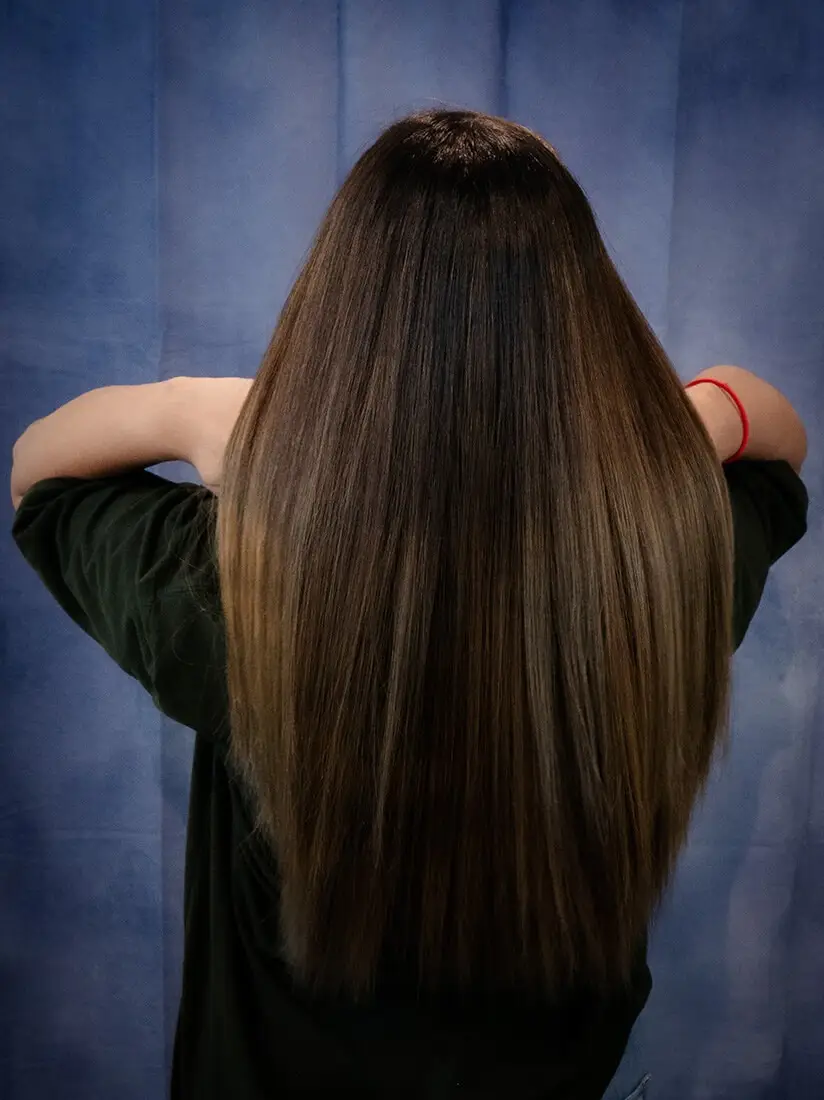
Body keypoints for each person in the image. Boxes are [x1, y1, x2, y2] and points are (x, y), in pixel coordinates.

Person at [11, 109, 809, 1100]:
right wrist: (675, 427)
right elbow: (777, 434)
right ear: (585, 320)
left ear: (342, 314)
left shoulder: (228, 578)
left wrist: (189, 404)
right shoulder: (666, 566)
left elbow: (39, 470)